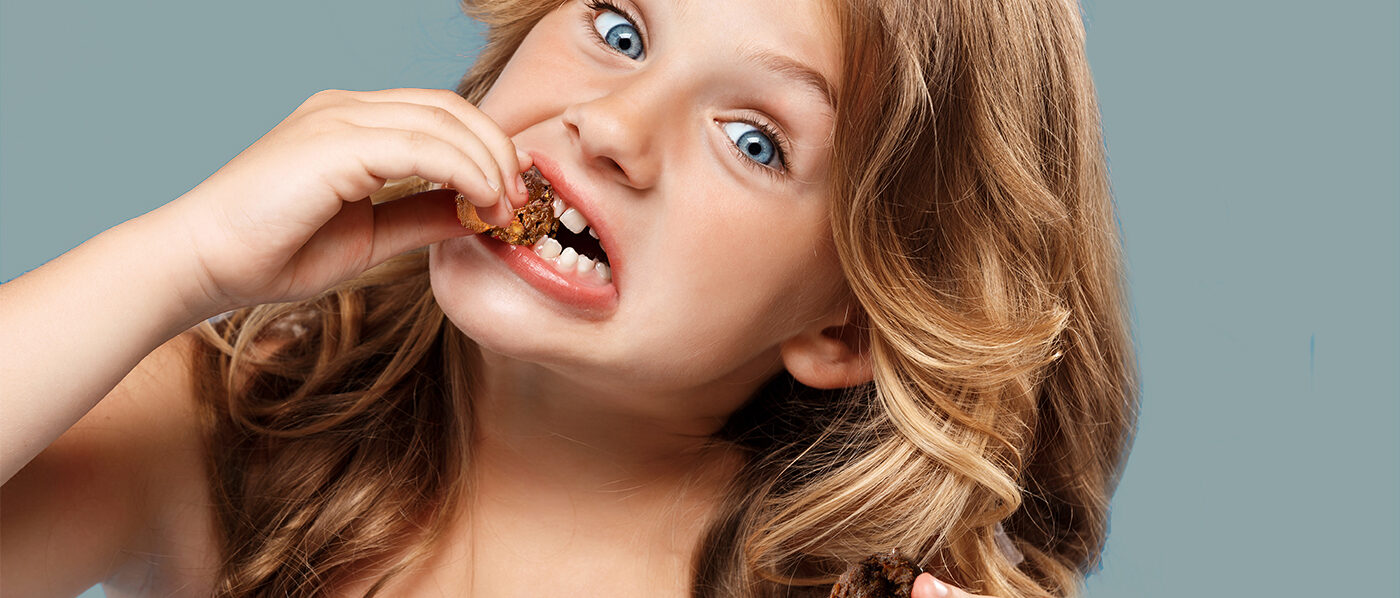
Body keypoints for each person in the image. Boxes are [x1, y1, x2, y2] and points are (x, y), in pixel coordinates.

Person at [0, 0, 1137, 596]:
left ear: (842, 323)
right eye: (618, 25)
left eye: (753, 139)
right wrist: (178, 258)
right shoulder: (224, 433)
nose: (613, 125)